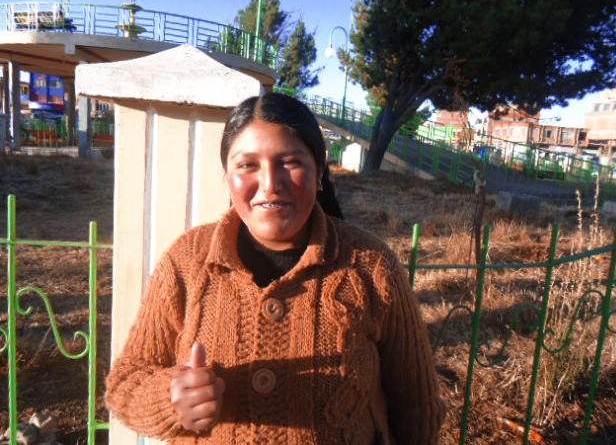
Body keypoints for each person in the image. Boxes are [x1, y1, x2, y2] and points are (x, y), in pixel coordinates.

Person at [105, 92, 444, 444]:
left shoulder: (371, 266)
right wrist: (169, 400)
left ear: (320, 169)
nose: (270, 183)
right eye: (247, 165)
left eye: (290, 162)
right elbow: (125, 383)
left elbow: (417, 408)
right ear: (228, 174)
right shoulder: (186, 262)